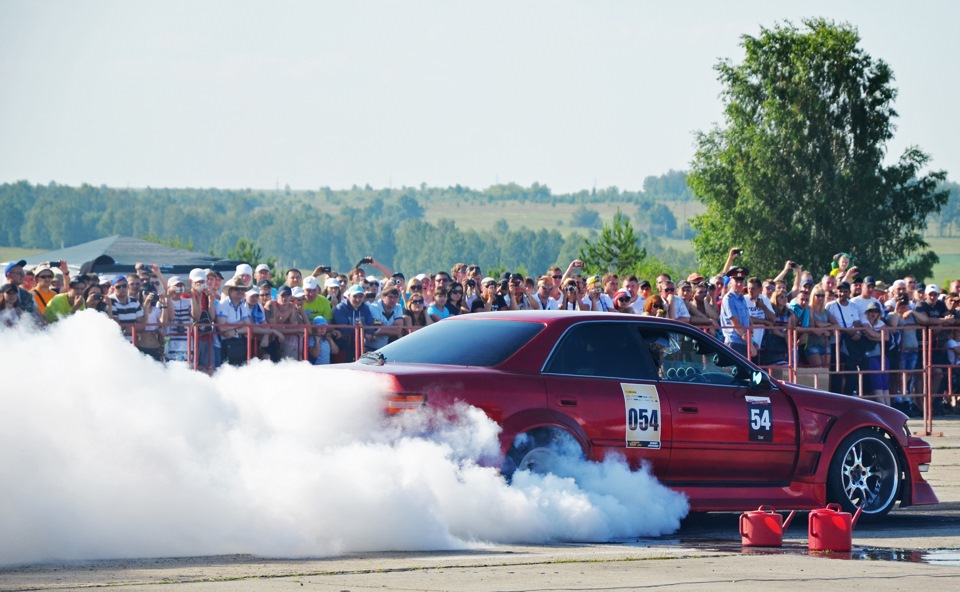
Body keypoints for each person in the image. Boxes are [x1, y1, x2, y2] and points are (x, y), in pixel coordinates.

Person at [826, 281, 865, 396]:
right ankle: (835, 397)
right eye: (840, 291)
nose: (842, 293)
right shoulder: (830, 306)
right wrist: (847, 331)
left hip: (850, 342)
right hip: (835, 342)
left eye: (845, 291)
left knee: (851, 371)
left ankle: (848, 396)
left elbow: (857, 322)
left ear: (849, 292)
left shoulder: (853, 306)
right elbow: (829, 322)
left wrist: (856, 332)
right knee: (836, 372)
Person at [332, 284, 376, 363]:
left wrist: (363, 326)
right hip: (343, 344)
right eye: (355, 296)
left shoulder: (365, 308)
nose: (358, 299)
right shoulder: (340, 308)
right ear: (349, 296)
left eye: (360, 296)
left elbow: (371, 328)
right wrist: (362, 330)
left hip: (360, 345)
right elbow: (343, 329)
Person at [860, 301, 891, 406]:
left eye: (876, 311)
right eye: (871, 311)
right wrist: (878, 335)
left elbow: (886, 338)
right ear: (867, 312)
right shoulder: (864, 321)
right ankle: (884, 408)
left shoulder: (881, 323)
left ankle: (889, 408)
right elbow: (871, 333)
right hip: (869, 356)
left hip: (881, 355)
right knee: (876, 381)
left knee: (885, 383)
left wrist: (872, 336)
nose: (873, 313)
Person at [217, 276, 253, 366]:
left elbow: (249, 326)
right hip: (223, 344)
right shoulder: (223, 303)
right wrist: (241, 324)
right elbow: (221, 327)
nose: (241, 292)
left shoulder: (244, 304)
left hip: (238, 343)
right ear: (230, 291)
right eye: (237, 289)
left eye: (243, 289)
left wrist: (234, 331)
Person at [719, 267, 752, 357]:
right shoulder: (728, 299)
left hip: (743, 342)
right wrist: (750, 343)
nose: (739, 284)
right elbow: (735, 323)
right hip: (733, 342)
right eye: (736, 281)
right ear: (730, 282)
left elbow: (747, 319)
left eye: (741, 281)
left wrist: (750, 333)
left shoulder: (742, 299)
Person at [109, 274, 145, 344]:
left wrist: (129, 328)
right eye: (118, 287)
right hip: (116, 343)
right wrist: (132, 327)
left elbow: (142, 325)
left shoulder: (134, 301)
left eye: (124, 286)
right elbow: (116, 325)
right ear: (113, 288)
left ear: (127, 287)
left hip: (132, 344)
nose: (121, 288)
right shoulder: (110, 301)